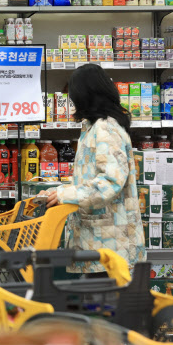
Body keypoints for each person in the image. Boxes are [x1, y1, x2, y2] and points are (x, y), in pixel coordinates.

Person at [40, 64, 145, 273]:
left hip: (111, 246)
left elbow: (110, 183)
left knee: (105, 295)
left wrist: (65, 195)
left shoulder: (105, 128)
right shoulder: (93, 127)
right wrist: (58, 192)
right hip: (100, 243)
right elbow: (90, 179)